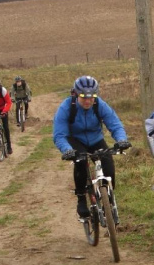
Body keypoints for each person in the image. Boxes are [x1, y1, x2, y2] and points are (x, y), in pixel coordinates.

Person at [53, 75, 131, 218]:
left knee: (108, 165)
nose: (88, 101)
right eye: (84, 97)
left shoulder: (99, 105)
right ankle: (81, 199)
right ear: (76, 94)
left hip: (96, 139)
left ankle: (108, 200)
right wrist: (67, 150)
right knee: (81, 162)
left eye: (92, 97)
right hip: (75, 140)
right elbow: (59, 135)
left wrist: (121, 140)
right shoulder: (66, 107)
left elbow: (115, 124)